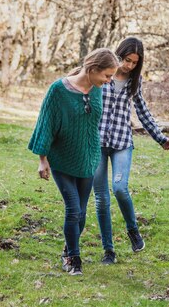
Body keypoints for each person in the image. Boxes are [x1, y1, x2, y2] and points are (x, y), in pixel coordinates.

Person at [28, 48, 119, 276]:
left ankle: (68, 249)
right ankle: (73, 259)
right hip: (62, 159)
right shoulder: (58, 90)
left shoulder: (96, 90)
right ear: (92, 69)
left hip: (88, 159)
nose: (108, 81)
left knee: (82, 213)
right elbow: (45, 124)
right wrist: (42, 159)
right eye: (107, 75)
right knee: (73, 210)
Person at [93, 37, 169, 265]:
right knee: (101, 199)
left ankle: (133, 230)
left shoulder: (134, 83)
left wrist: (160, 138)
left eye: (134, 63)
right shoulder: (102, 75)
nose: (128, 66)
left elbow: (143, 112)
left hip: (122, 142)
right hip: (96, 143)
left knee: (119, 188)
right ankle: (109, 250)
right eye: (126, 60)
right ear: (119, 55)